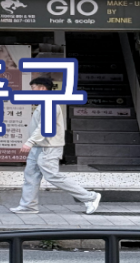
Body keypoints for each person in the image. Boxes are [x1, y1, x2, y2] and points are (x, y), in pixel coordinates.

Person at [9, 75, 101, 215]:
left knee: (52, 176)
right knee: (31, 176)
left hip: (48, 147)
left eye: (33, 88)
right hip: (40, 147)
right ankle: (28, 206)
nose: (31, 91)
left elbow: (44, 127)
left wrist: (30, 142)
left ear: (42, 88)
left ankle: (90, 197)